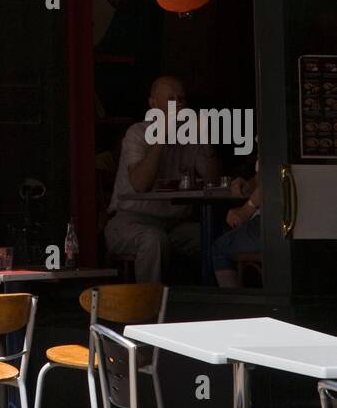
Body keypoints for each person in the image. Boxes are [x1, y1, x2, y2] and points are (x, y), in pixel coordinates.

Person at [104, 75, 220, 283]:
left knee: (211, 236)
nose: (178, 105)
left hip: (174, 225)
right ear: (153, 104)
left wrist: (206, 139)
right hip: (130, 220)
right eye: (171, 99)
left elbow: (212, 181)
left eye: (182, 99)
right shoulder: (137, 133)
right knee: (153, 240)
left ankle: (209, 305)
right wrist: (162, 135)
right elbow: (140, 184)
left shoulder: (191, 134)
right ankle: (152, 309)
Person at [212, 162, 261, 287]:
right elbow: (263, 178)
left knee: (221, 247)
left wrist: (247, 208)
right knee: (226, 233)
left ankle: (234, 304)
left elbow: (273, 177)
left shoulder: (272, 143)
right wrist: (249, 185)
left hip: (275, 220)